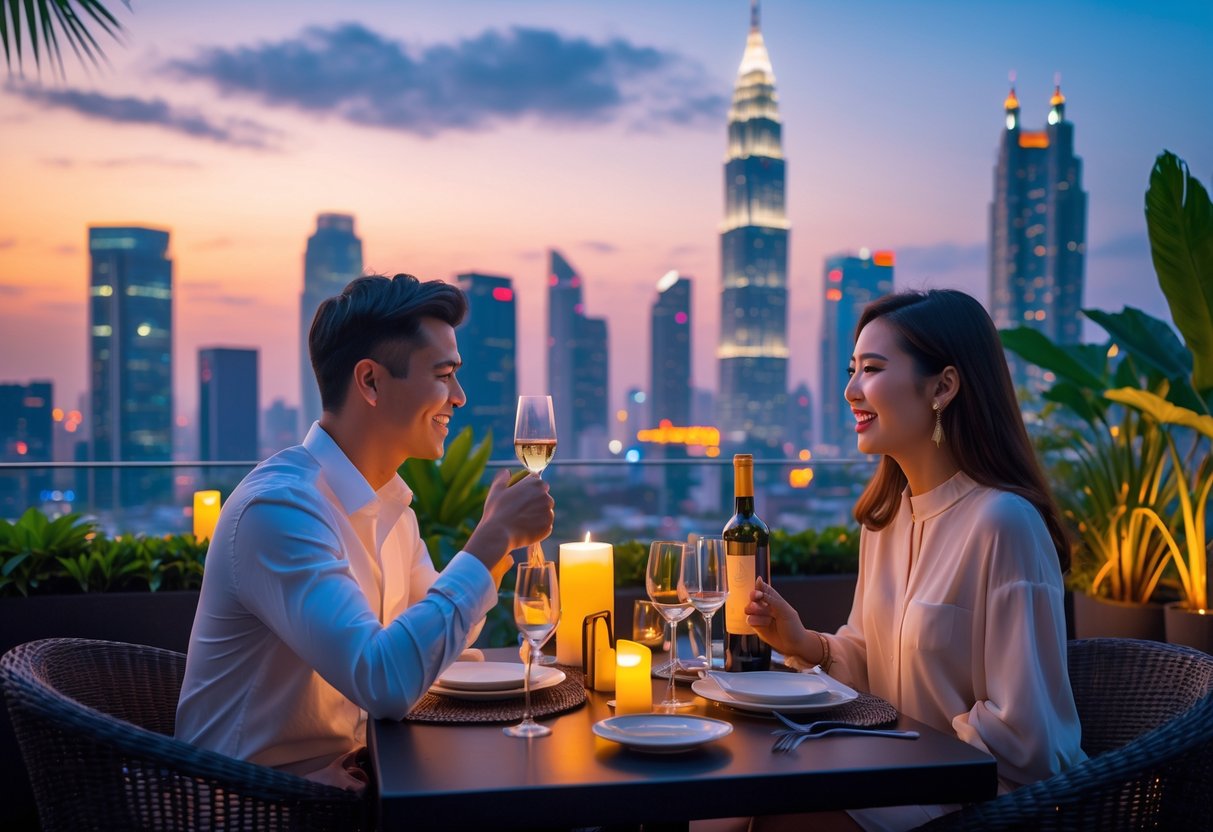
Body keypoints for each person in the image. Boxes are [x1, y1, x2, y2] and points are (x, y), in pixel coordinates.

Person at [176, 274, 554, 790]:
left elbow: (433, 635)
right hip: (253, 803)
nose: (460, 398)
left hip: (349, 779)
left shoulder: (391, 505)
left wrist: (499, 548)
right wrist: (488, 540)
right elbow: (386, 680)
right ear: (371, 382)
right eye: (444, 375)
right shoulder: (281, 510)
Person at [745, 289, 1086, 831]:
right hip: (893, 769)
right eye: (852, 369)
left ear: (943, 386)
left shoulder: (1004, 524)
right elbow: (868, 662)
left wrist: (886, 756)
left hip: (976, 799)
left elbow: (1028, 739)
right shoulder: (884, 521)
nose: (850, 389)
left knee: (774, 814)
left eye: (872, 369)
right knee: (728, 799)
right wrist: (803, 643)